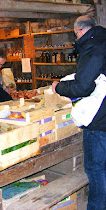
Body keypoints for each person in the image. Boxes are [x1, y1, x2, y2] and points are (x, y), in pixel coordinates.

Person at [52, 15, 106, 209]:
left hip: (100, 121)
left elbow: (83, 87)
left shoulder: (93, 47)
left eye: (76, 35)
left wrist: (59, 88)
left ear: (80, 31)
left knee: (96, 169)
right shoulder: (103, 40)